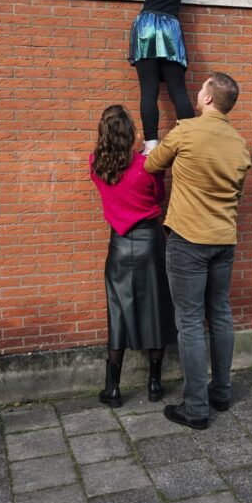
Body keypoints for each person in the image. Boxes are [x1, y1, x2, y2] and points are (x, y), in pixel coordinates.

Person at [144, 73, 251, 429]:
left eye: (201, 89)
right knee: (220, 313)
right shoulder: (239, 144)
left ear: (208, 99)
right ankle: (221, 393)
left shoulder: (187, 131)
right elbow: (234, 193)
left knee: (189, 321)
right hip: (224, 239)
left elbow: (151, 164)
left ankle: (195, 408)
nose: (197, 93)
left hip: (189, 240)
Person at [81, 0, 195, 154]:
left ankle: (151, 144)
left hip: (147, 27)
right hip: (170, 28)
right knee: (178, 90)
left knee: (149, 90)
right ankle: (191, 139)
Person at [90, 105, 177, 407]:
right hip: (150, 243)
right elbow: (158, 198)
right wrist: (143, 158)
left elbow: (115, 175)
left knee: (118, 313)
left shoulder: (96, 165)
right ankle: (154, 384)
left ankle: (113, 389)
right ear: (131, 133)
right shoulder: (148, 165)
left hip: (118, 245)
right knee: (156, 309)